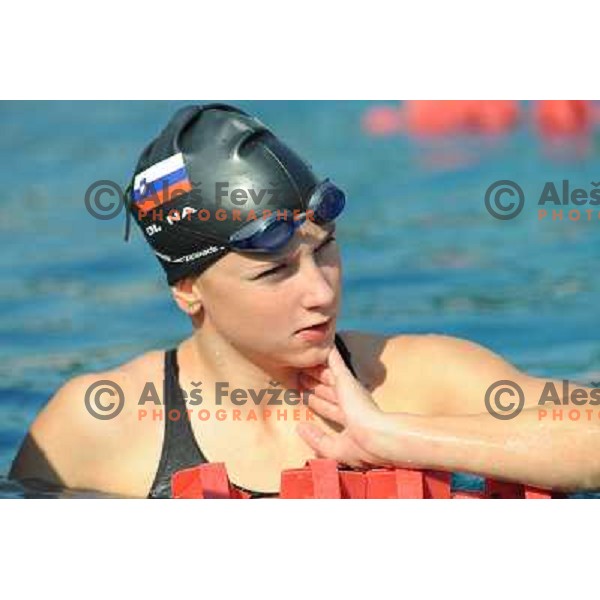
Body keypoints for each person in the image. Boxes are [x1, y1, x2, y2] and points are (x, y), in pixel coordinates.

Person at [9, 103, 600, 498]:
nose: (320, 291)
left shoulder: (414, 377)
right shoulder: (99, 425)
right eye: (274, 273)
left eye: (326, 250)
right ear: (188, 290)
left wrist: (393, 437)